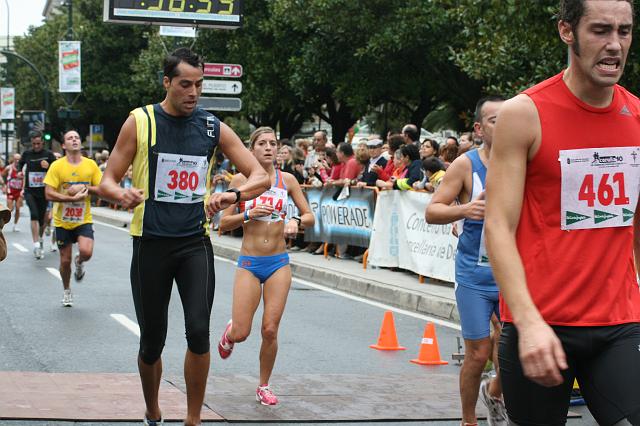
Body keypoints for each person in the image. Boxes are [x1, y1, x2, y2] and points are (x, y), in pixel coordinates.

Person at [485, 1, 640, 425]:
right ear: (566, 31)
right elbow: (498, 226)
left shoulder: (638, 115)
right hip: (540, 323)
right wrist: (529, 321)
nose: (614, 45)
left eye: (624, 31)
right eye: (601, 30)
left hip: (619, 322)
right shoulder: (524, 114)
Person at [97, 48, 269, 426]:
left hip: (194, 243)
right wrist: (119, 193)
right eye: (185, 85)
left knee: (198, 332)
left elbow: (261, 176)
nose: (193, 93)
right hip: (150, 243)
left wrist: (233, 196)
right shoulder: (139, 122)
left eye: (199, 85)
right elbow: (106, 179)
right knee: (152, 340)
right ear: (167, 83)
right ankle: (153, 408)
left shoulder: (211, 127)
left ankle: (194, 418)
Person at [217, 127, 314, 406]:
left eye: (273, 143)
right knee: (243, 332)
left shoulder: (289, 181)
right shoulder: (241, 179)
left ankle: (264, 385)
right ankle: (231, 332)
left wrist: (297, 221)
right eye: (262, 143)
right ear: (251, 149)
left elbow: (309, 216)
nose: (269, 148)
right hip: (249, 263)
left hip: (278, 263)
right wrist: (247, 212)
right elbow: (222, 223)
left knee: (270, 329)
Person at [426, 96, 507, 426]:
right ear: (478, 128)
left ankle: (496, 392)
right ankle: (468, 420)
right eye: (493, 120)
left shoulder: (524, 162)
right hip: (474, 275)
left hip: (512, 273)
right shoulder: (465, 165)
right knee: (478, 353)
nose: (502, 126)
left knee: (513, 351)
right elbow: (433, 211)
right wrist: (465, 209)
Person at [44, 130, 102, 307]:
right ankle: (67, 290)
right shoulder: (57, 166)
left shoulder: (91, 165)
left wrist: (83, 189)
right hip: (63, 221)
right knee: (64, 260)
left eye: (77, 137)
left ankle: (80, 262)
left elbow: (101, 188)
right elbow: (48, 193)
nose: (74, 140)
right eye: (70, 138)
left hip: (83, 219)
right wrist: (70, 198)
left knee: (86, 252)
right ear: (64, 146)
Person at [18, 131, 57, 259]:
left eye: (38, 144)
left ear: (42, 143)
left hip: (43, 191)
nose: (36, 146)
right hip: (30, 190)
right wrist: (19, 172)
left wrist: (49, 166)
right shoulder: (27, 154)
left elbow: (57, 169)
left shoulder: (48, 154)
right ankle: (35, 245)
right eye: (34, 144)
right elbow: (20, 164)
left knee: (42, 220)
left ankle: (40, 239)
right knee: (34, 214)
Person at [2, 153, 24, 232]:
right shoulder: (9, 168)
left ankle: (15, 225)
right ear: (13, 159)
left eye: (19, 159)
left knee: (18, 208)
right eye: (16, 159)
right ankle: (2, 224)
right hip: (11, 191)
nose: (17, 161)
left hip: (19, 191)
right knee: (10, 209)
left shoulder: (23, 169)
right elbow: (2, 175)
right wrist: (4, 186)